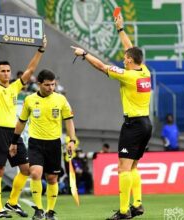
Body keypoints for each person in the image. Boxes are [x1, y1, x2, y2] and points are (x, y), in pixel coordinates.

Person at [71, 12, 152, 219]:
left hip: (133, 125)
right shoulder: (144, 71)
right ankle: (138, 204)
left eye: (126, 59)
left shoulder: (128, 76)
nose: (124, 60)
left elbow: (101, 66)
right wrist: (120, 29)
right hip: (145, 124)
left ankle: (124, 211)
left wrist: (84, 54)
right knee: (133, 166)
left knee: (122, 168)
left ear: (132, 61)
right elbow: (130, 48)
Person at [0, 31, 46, 218]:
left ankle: (11, 202)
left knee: (26, 169)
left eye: (8, 71)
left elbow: (30, 70)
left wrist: (40, 50)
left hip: (14, 134)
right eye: (2, 71)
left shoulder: (14, 87)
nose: (5, 73)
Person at [9, 70, 76, 220]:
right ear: (39, 84)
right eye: (47, 85)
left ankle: (50, 211)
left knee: (52, 178)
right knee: (35, 173)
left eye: (53, 84)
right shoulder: (29, 100)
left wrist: (71, 140)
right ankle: (38, 210)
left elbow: (69, 120)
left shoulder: (61, 99)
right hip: (35, 143)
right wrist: (14, 142)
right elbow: (21, 122)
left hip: (54, 144)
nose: (51, 87)